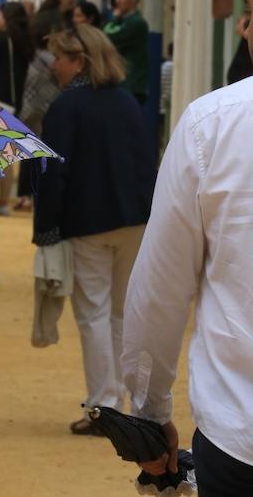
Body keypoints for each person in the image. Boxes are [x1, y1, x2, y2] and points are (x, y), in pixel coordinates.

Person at [121, 0, 253, 494]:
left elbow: (161, 288)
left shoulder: (213, 124)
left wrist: (149, 415)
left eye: (251, 8)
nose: (245, 23)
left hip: (248, 441)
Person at [34, 24, 155, 434]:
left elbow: (53, 173)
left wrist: (47, 227)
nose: (54, 65)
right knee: (124, 314)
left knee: (94, 315)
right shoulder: (128, 102)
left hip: (88, 223)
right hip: (135, 221)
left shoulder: (66, 108)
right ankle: (129, 405)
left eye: (61, 57)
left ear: (79, 61)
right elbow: (146, 163)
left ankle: (104, 406)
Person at [0, 1, 35, 215]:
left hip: (0, 100)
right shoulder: (25, 40)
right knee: (8, 153)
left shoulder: (2, 39)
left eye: (1, 16)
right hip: (18, 101)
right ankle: (3, 201)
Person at [15, 27, 62, 211]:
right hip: (47, 110)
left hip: (31, 111)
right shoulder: (53, 61)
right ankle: (37, 195)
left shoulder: (33, 59)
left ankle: (27, 195)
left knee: (28, 155)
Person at [103, 0, 150, 103]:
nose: (117, 1)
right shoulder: (120, 21)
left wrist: (114, 19)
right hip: (120, 83)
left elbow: (106, 39)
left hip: (132, 86)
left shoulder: (137, 23)